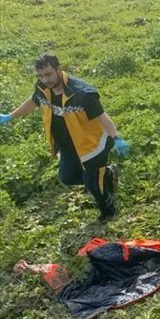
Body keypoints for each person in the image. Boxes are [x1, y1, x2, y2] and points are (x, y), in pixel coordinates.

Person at [0, 54, 130, 221]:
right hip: (69, 146)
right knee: (67, 177)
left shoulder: (82, 93)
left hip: (93, 145)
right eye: (40, 76)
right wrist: (11, 116)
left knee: (93, 184)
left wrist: (117, 137)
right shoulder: (43, 88)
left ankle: (109, 212)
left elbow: (103, 117)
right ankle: (108, 174)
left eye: (48, 74)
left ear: (59, 70)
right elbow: (34, 101)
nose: (44, 79)